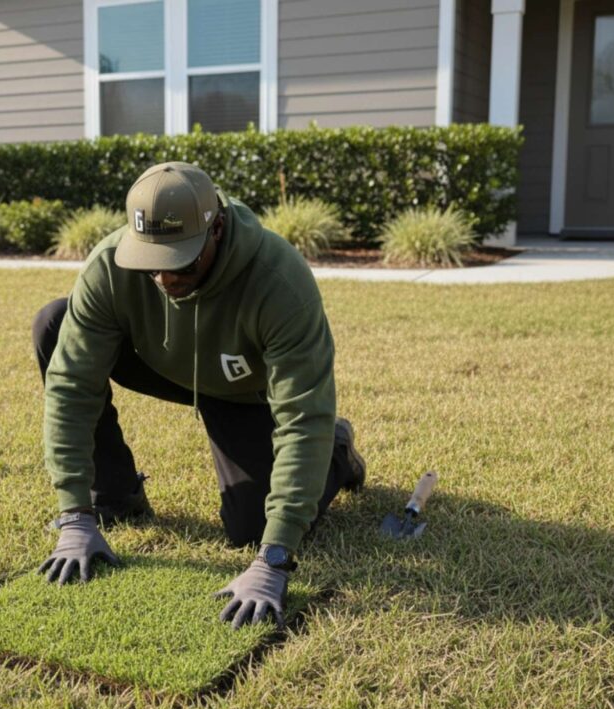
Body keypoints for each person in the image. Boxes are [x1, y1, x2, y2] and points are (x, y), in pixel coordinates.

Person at [32, 161, 365, 630]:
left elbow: (302, 416)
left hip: (242, 388)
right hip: (160, 362)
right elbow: (71, 386)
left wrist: (275, 556)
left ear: (218, 228)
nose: (165, 279)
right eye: (152, 265)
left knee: (249, 527)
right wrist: (73, 514)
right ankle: (110, 497)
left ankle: (339, 451)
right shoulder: (109, 266)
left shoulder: (280, 282)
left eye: (180, 262)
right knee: (53, 323)